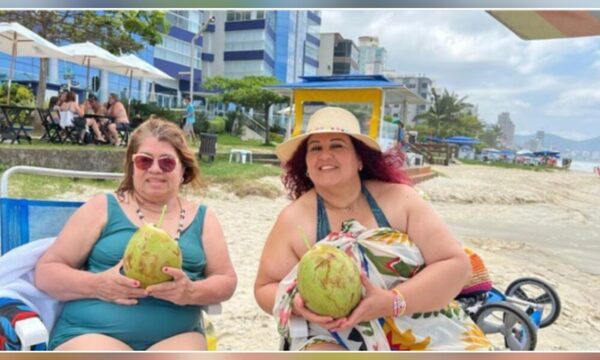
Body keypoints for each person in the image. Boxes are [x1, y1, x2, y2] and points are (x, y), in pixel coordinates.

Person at [254, 107, 491, 351]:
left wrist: (392, 302)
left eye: (337, 145)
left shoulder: (401, 200)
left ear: (359, 159)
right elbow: (264, 287)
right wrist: (295, 304)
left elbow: (454, 264)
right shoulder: (293, 219)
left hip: (420, 320)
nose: (325, 155)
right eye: (315, 148)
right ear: (305, 164)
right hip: (336, 334)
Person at [35, 118, 237, 351]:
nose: (154, 169)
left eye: (167, 163)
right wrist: (98, 285)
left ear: (184, 169)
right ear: (132, 168)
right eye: (144, 161)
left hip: (177, 335)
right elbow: (46, 272)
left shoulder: (204, 217)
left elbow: (226, 281)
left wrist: (191, 291)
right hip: (92, 332)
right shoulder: (102, 207)